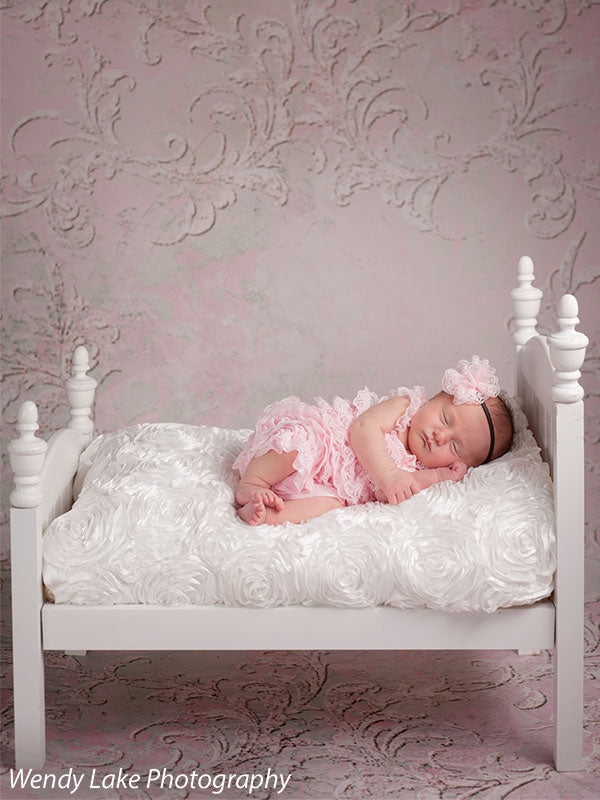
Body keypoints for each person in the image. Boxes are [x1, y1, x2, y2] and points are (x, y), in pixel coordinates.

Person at [233, 356, 513, 526]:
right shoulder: (404, 408)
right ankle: (254, 482)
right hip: (325, 444)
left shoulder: (416, 469)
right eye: (445, 418)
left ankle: (266, 515)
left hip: (328, 484)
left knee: (329, 506)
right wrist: (389, 474)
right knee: (299, 444)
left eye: (454, 446)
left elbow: (385, 493)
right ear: (433, 399)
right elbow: (363, 429)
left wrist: (440, 476)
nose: (440, 435)